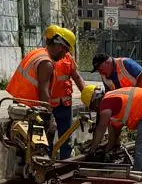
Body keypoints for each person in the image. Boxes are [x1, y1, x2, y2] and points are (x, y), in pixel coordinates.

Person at [5, 25, 85, 155]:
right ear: (59, 46)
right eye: (65, 50)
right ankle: (43, 167)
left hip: (22, 104)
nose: (66, 54)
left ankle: (32, 169)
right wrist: (48, 116)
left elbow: (76, 76)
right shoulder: (46, 63)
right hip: (32, 107)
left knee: (28, 144)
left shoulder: (36, 53)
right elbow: (44, 91)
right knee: (40, 142)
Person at [87, 81, 142, 172]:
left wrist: (92, 151)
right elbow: (114, 132)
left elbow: (101, 128)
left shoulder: (106, 103)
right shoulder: (112, 102)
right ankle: (141, 171)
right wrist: (107, 149)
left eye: (93, 107)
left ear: (94, 101)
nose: (96, 110)